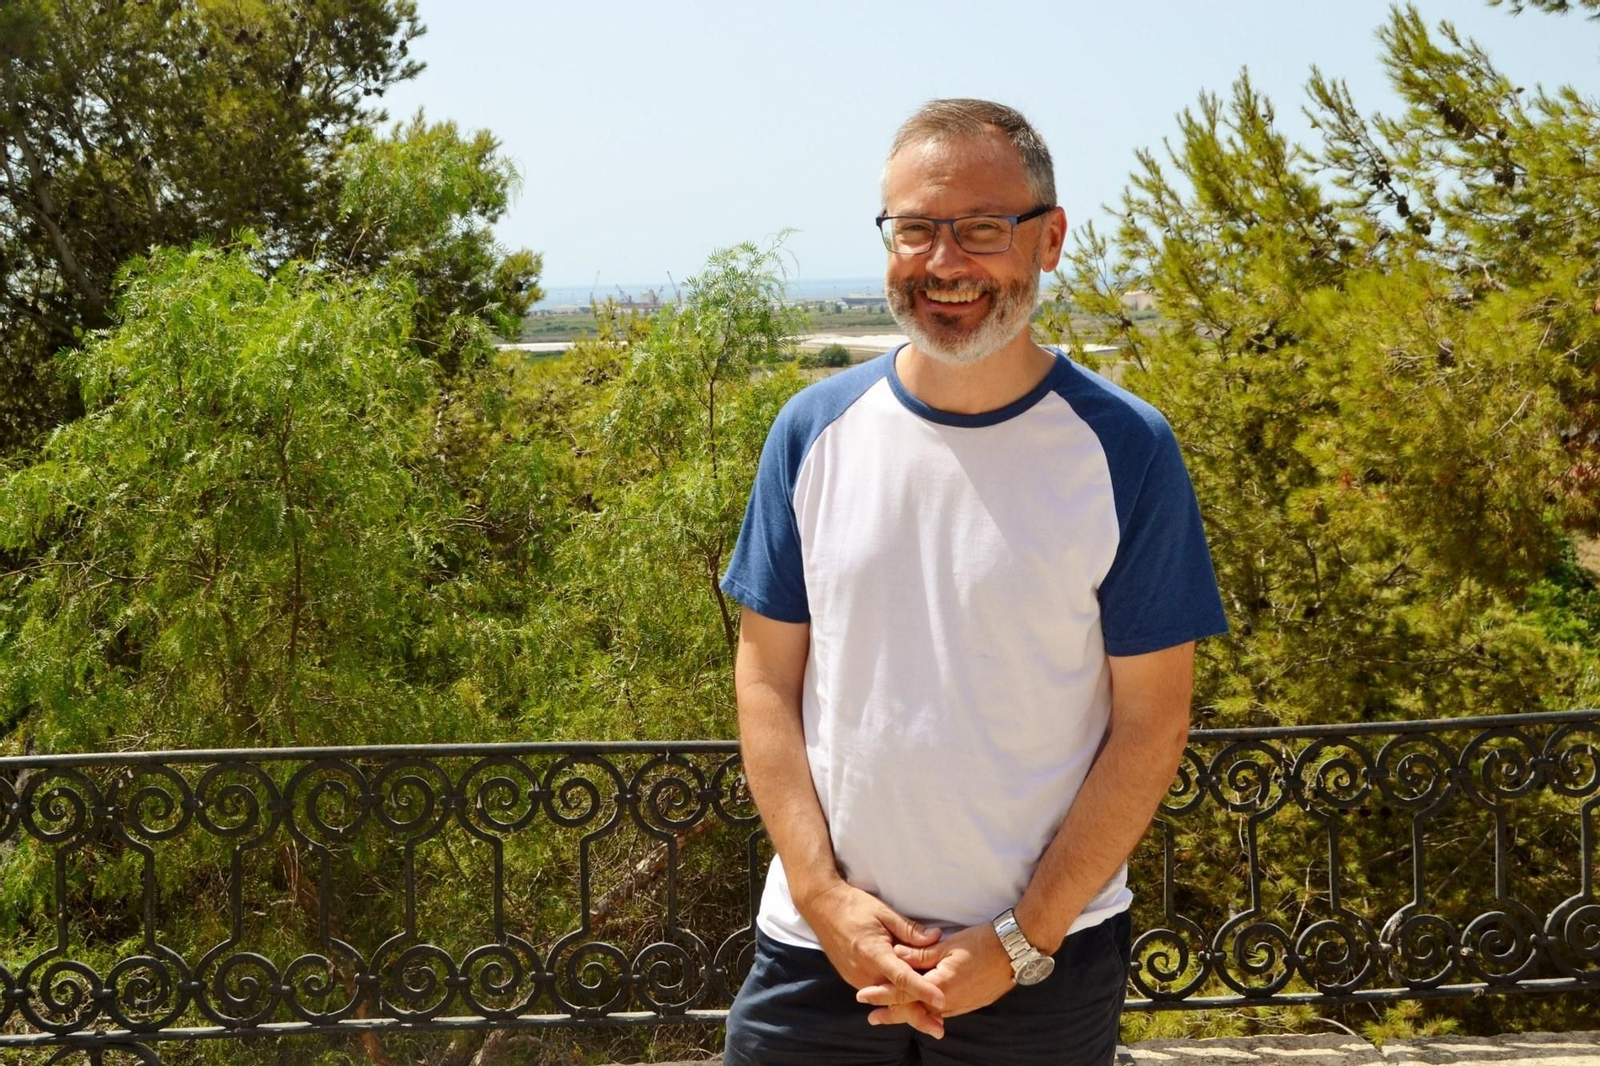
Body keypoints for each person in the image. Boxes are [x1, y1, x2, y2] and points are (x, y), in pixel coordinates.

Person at [718, 98, 1228, 1065]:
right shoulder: (810, 432)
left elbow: (1152, 720)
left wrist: (1020, 941)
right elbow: (764, 681)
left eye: (983, 229)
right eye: (915, 229)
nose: (944, 263)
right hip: (818, 955)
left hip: (1042, 965)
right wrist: (824, 900)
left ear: (1051, 240)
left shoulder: (1127, 450)